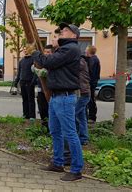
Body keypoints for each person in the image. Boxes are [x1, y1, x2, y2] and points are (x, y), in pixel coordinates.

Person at [32, 23, 83, 182]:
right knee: (55, 131)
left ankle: (76, 169)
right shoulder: (63, 49)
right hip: (56, 97)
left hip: (65, 97)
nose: (62, 32)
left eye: (66, 30)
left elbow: (49, 62)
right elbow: (52, 62)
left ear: (74, 36)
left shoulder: (71, 49)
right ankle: (57, 163)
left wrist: (34, 53)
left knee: (70, 133)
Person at [32, 45, 54, 127]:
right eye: (45, 52)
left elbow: (45, 73)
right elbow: (33, 68)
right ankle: (44, 126)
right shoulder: (42, 61)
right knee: (42, 109)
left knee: (50, 110)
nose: (46, 54)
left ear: (52, 53)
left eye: (48, 52)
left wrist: (40, 71)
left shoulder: (53, 62)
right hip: (41, 90)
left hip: (50, 91)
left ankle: (50, 127)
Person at [14, 46, 36, 119]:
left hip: (30, 82)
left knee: (31, 99)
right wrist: (16, 81)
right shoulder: (21, 61)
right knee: (24, 99)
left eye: (26, 49)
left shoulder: (33, 59)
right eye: (24, 49)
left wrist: (33, 81)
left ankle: (32, 116)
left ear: (30, 49)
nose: (25, 50)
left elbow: (35, 72)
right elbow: (19, 72)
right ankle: (25, 114)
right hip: (22, 82)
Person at [76, 54, 91, 145]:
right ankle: (83, 137)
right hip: (82, 92)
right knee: (81, 116)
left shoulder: (79, 61)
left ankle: (78, 136)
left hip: (83, 93)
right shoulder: (81, 61)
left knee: (72, 114)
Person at [85, 45, 100, 123]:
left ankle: (91, 117)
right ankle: (91, 116)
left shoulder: (92, 60)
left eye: (86, 50)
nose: (85, 51)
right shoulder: (94, 59)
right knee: (91, 99)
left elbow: (90, 72)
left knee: (90, 99)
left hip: (90, 83)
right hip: (92, 82)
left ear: (88, 51)